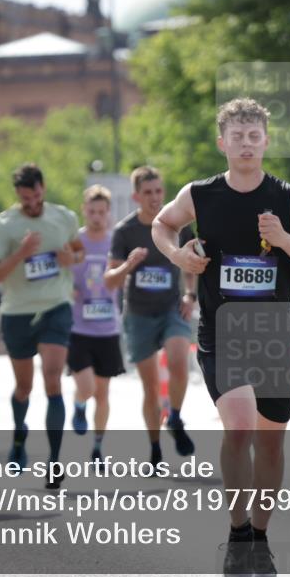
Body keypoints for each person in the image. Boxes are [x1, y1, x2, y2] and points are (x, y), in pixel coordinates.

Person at [153, 98, 290, 577]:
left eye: (254, 136)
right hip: (222, 331)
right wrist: (178, 255)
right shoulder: (200, 194)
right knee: (238, 428)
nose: (247, 144)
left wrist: (284, 239)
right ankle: (237, 535)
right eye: (238, 137)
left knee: (270, 445)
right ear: (223, 143)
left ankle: (259, 536)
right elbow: (162, 224)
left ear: (266, 141)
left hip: (273, 336)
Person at [0, 164, 79, 489]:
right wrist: (21, 254)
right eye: (26, 198)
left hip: (55, 307)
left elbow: (78, 251)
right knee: (24, 387)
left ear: (43, 188)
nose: (33, 203)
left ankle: (54, 461)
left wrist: (71, 259)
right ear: (18, 195)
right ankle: (19, 434)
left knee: (53, 379)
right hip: (18, 312)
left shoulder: (63, 217)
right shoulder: (4, 224)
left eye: (36, 195)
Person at [107, 166, 196, 468]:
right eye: (148, 192)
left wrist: (190, 295)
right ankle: (155, 448)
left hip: (172, 308)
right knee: (150, 387)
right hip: (139, 314)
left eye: (158, 191)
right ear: (136, 196)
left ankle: (175, 417)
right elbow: (110, 281)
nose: (155, 197)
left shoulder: (177, 224)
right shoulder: (125, 231)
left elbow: (192, 262)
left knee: (179, 362)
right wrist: (128, 265)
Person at [68, 185, 125, 462]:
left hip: (108, 327)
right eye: (92, 211)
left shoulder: (115, 242)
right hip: (78, 327)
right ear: (84, 211)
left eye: (102, 212)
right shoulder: (75, 241)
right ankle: (79, 404)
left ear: (109, 213)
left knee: (103, 393)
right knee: (87, 387)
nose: (97, 217)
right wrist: (69, 288)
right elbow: (63, 272)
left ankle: (98, 447)